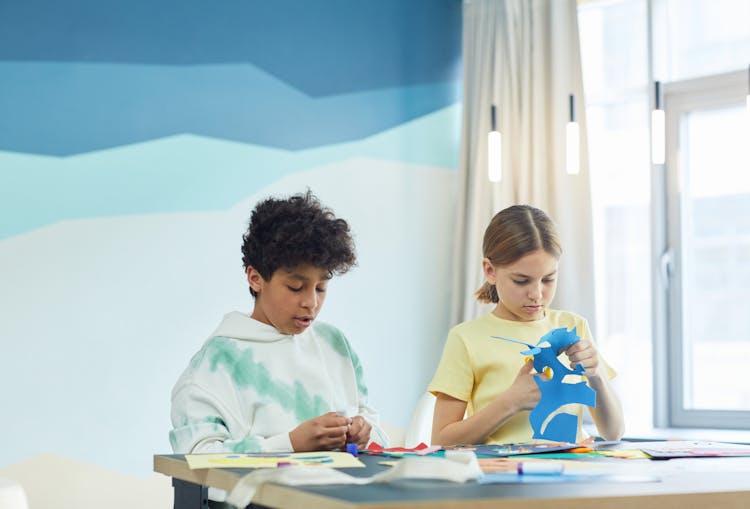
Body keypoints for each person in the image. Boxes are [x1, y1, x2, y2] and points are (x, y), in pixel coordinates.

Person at [170, 190, 388, 455]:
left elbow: (373, 426)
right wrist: (290, 444)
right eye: (296, 287)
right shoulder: (217, 363)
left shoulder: (335, 345)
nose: (311, 303)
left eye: (321, 288)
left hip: (338, 493)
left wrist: (364, 431)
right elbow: (196, 458)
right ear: (255, 278)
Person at [429, 204, 624, 446]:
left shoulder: (573, 326)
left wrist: (597, 377)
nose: (537, 294)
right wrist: (510, 402)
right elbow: (440, 440)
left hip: (569, 475)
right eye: (522, 281)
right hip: (502, 479)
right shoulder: (466, 338)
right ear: (490, 271)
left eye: (548, 279)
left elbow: (613, 432)